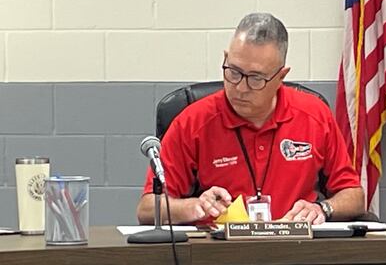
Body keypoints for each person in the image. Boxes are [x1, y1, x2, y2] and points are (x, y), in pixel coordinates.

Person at [136, 13, 365, 225]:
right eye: (233, 71)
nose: (240, 88)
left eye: (255, 78)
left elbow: (354, 196)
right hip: (220, 253)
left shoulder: (315, 115)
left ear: (281, 76)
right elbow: (146, 210)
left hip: (295, 248)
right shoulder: (192, 122)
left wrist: (323, 208)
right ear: (226, 58)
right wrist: (195, 207)